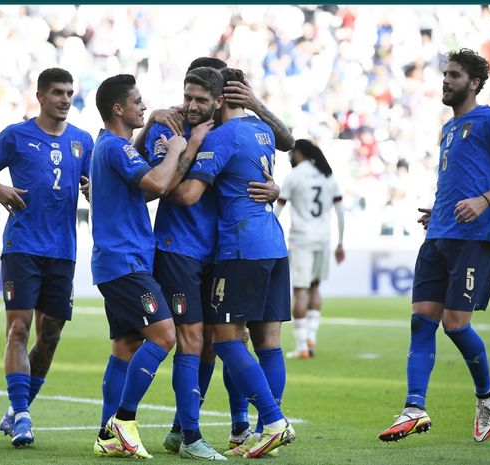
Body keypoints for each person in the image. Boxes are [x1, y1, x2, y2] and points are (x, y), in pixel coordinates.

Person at [379, 49, 490, 443]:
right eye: (444, 74)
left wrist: (485, 200)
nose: (445, 81)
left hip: (474, 240)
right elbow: (460, 180)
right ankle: (414, 408)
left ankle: (485, 395)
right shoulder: (448, 129)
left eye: (453, 75)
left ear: (475, 82)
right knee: (421, 321)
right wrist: (439, 211)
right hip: (439, 236)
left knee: (455, 325)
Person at [170, 67, 296, 458]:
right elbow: (286, 141)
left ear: (221, 98)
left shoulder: (221, 137)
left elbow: (189, 195)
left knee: (225, 340)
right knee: (269, 344)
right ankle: (261, 433)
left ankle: (274, 421)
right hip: (274, 243)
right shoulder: (261, 131)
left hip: (240, 248)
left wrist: (149, 181)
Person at [0, 68, 94, 448]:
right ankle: (23, 415)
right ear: (40, 96)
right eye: (57, 92)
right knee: (19, 330)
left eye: (69, 92)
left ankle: (17, 408)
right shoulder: (16, 135)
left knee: (51, 336)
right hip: (22, 246)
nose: (65, 99)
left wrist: (95, 194)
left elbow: (92, 191)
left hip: (63, 251)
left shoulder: (82, 141)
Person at [90, 74, 192, 459]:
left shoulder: (109, 147)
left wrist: (152, 130)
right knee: (164, 336)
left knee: (126, 346)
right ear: (119, 109)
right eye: (138, 101)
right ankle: (123, 421)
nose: (144, 106)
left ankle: (105, 433)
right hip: (126, 262)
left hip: (115, 262)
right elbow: (158, 184)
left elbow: (143, 188)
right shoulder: (116, 148)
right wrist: (176, 150)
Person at [145, 67, 225, 460]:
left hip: (218, 251)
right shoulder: (168, 131)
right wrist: (191, 142)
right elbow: (169, 188)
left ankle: (180, 428)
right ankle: (192, 436)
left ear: (218, 101)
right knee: (190, 339)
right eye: (187, 97)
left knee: (211, 343)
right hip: (177, 249)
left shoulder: (226, 133)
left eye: (200, 100)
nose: (191, 106)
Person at [274, 139, 345, 359]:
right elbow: (340, 211)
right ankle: (311, 336)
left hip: (301, 239)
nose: (289, 156)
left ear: (299, 153)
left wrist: (266, 231)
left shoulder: (294, 177)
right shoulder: (327, 175)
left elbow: (278, 210)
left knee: (300, 291)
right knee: (315, 288)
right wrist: (340, 242)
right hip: (323, 238)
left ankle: (302, 345)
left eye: (292, 152)